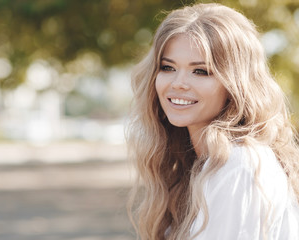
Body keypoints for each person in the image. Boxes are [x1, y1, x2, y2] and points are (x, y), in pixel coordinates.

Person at [126, 3, 299, 240]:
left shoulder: (240, 165)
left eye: (201, 71)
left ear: (234, 84)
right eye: (168, 67)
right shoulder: (202, 163)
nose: (178, 83)